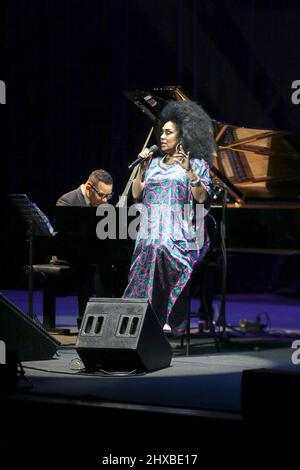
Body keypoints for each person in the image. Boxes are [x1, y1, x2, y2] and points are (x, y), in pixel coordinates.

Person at [123, 100, 215, 334]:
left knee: (161, 246)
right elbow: (136, 196)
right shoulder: (152, 164)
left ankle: (169, 317)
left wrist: (189, 171)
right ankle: (140, 316)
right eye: (161, 132)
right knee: (148, 244)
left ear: (181, 137)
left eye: (168, 132)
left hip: (182, 229)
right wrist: (141, 170)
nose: (162, 137)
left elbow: (202, 198)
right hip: (152, 227)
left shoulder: (197, 164)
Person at [55, 169, 114, 328]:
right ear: (89, 187)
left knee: (114, 266)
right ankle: (87, 322)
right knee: (92, 269)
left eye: (109, 196)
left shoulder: (103, 203)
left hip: (93, 254)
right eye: (102, 195)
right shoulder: (67, 202)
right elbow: (66, 242)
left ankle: (108, 320)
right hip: (72, 255)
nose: (105, 200)